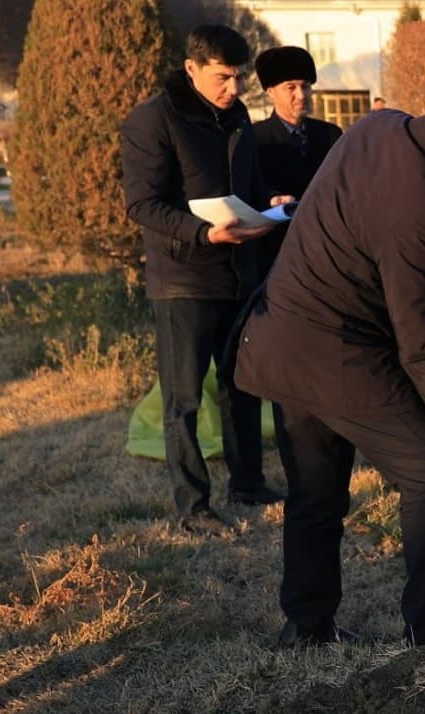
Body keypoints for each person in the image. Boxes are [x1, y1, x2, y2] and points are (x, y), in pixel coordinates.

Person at [233, 65, 425, 648]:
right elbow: (422, 341)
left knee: (316, 493)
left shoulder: (377, 127)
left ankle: (308, 627)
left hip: (282, 331)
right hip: (332, 347)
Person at [120, 25, 289, 536]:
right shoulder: (152, 120)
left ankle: (248, 483)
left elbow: (251, 185)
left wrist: (270, 206)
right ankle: (193, 506)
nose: (234, 89)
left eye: (239, 77)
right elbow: (142, 204)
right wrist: (202, 233)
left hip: (241, 276)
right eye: (223, 77)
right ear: (191, 68)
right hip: (184, 280)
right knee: (185, 398)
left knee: (243, 386)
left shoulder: (238, 116)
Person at [249, 46, 343, 291]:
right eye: (290, 87)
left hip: (325, 250)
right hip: (275, 255)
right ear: (270, 91)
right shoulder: (254, 139)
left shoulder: (330, 135)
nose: (301, 95)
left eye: (306, 86)